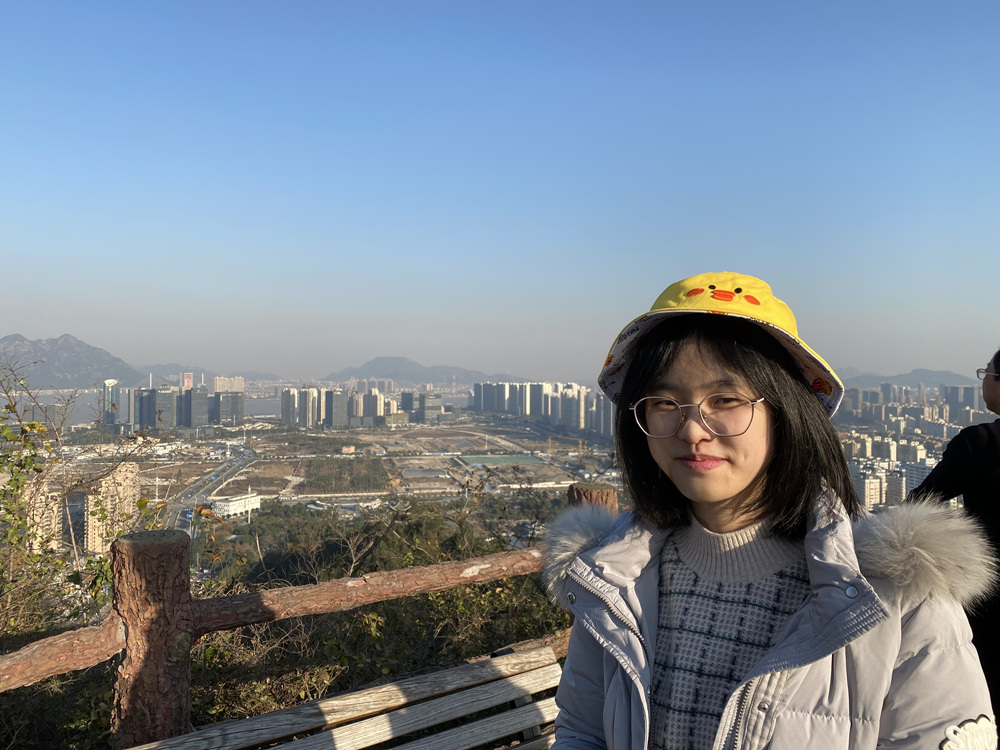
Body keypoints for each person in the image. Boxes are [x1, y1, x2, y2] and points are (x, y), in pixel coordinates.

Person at [543, 271, 996, 750]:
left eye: (725, 399)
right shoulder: (612, 574)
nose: (691, 430)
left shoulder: (897, 590)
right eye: (663, 402)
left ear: (786, 411)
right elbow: (583, 731)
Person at [911, 348, 1000, 711]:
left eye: (986, 373)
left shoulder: (981, 442)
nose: (983, 382)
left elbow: (919, 505)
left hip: (988, 597)